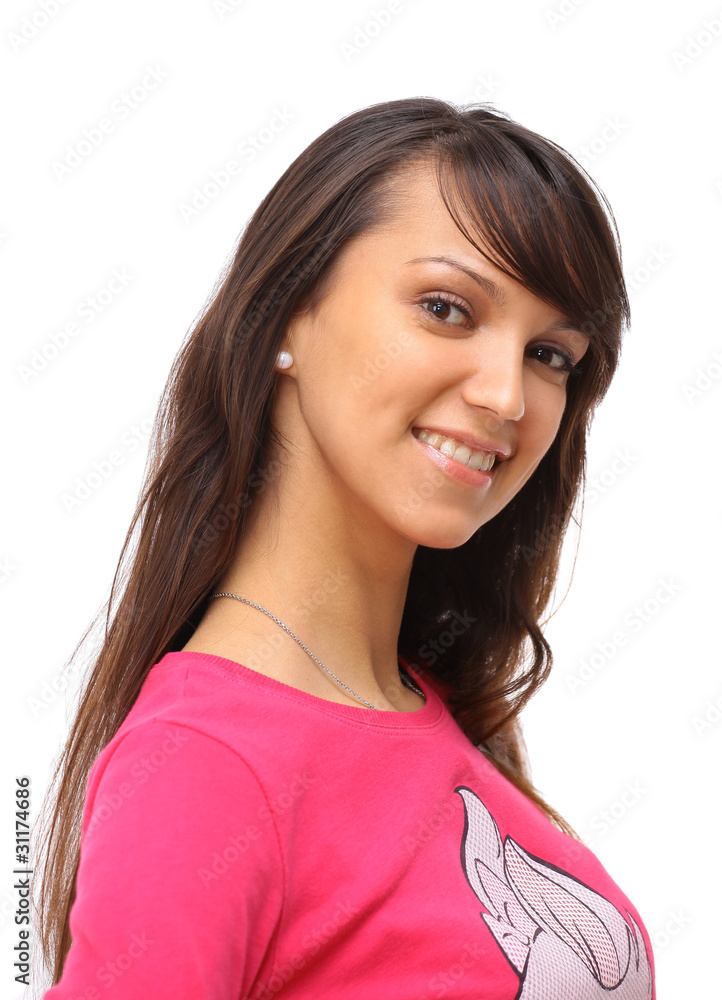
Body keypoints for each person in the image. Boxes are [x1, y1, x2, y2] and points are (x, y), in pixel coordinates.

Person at [35, 96, 655, 998]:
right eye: (447, 309)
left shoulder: (432, 712)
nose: (508, 397)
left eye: (551, 355)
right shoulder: (207, 768)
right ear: (289, 313)